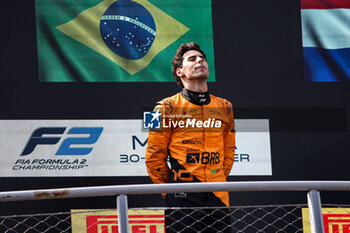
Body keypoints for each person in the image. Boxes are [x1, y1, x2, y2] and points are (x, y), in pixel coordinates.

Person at [145, 42, 235, 232]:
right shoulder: (162, 108)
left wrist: (215, 178)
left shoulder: (226, 107)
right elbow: (153, 158)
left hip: (218, 195)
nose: (200, 60)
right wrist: (171, 191)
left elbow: (229, 152)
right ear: (180, 72)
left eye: (202, 58)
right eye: (192, 58)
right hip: (181, 196)